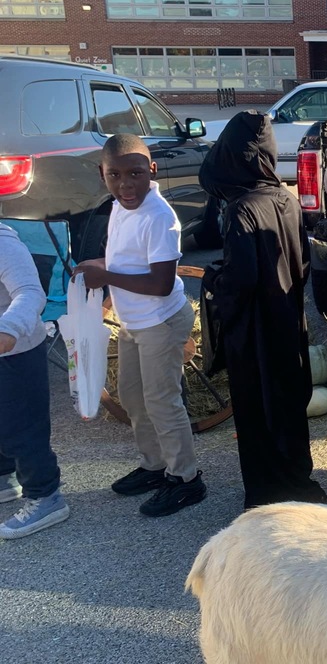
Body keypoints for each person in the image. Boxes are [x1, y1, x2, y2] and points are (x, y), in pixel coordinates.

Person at [199, 111, 327, 510]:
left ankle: (267, 495)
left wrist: (212, 281)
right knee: (288, 405)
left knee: (257, 410)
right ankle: (295, 480)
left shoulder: (241, 209)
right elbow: (304, 265)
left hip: (254, 333)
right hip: (288, 322)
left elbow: (240, 282)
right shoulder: (286, 200)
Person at [74, 133, 206, 517]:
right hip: (133, 320)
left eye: (135, 174)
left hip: (161, 321)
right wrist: (106, 271)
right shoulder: (119, 206)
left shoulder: (159, 216)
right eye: (115, 175)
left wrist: (108, 277)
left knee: (162, 401)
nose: (125, 184)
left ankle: (186, 479)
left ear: (152, 170)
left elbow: (161, 284)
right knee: (132, 397)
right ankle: (154, 466)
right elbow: (121, 256)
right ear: (103, 174)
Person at [0, 224, 69, 539]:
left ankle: (45, 495)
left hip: (16, 350)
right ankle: (4, 477)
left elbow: (30, 292)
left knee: (23, 428)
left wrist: (9, 329)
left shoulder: (4, 242)